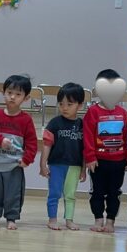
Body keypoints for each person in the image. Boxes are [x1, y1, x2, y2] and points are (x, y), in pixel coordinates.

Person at [0, 74, 37, 231]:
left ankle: (11, 218)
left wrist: (27, 159)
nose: (13, 97)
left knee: (13, 194)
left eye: (18, 94)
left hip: (14, 166)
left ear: (26, 98)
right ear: (3, 93)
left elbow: (32, 143)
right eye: (9, 93)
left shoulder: (26, 120)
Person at [83, 68, 127, 233]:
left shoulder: (123, 113)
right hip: (98, 162)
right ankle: (98, 219)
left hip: (118, 162)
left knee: (114, 193)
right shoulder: (93, 112)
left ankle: (111, 220)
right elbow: (88, 136)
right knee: (97, 192)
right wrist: (90, 157)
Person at [40, 83, 86, 231]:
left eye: (69, 104)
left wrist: (83, 169)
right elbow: (46, 145)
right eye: (61, 104)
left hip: (75, 166)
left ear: (80, 105)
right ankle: (52, 219)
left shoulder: (83, 125)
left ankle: (69, 220)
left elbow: (85, 150)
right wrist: (43, 164)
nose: (64, 108)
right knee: (54, 193)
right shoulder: (54, 123)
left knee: (70, 195)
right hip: (56, 164)